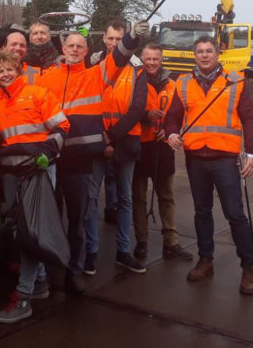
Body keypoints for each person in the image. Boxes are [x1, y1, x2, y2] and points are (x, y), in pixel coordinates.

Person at [36, 23, 148, 293]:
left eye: (80, 46)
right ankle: (50, 271)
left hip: (80, 160)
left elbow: (119, 57)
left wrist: (132, 37)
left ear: (87, 51)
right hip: (50, 159)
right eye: (70, 46)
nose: (75, 49)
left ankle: (73, 272)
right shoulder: (45, 77)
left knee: (78, 221)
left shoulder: (95, 75)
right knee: (49, 220)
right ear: (62, 49)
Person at [166, 35, 253, 295]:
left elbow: (250, 119)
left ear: (217, 54)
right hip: (196, 158)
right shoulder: (182, 82)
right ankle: (205, 260)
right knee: (202, 212)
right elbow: (173, 115)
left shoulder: (236, 81)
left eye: (209, 51)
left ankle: (248, 266)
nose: (204, 55)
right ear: (194, 55)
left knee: (235, 215)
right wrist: (171, 133)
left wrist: (251, 153)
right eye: (200, 51)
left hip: (225, 159)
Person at [0, 51, 70, 324]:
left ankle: (23, 296)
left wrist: (48, 152)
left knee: (30, 232)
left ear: (18, 70)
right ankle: (41, 283)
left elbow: (62, 127)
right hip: (12, 174)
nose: (5, 74)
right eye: (0, 72)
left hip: (39, 170)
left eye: (9, 69)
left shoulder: (38, 93)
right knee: (22, 230)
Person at [89, 29, 149, 276]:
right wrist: (101, 136)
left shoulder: (137, 68)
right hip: (95, 141)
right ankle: (90, 252)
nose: (114, 43)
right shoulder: (93, 64)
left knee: (125, 199)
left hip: (125, 142)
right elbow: (87, 102)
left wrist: (111, 136)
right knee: (91, 199)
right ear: (104, 39)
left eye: (118, 38)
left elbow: (138, 108)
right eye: (110, 38)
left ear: (125, 39)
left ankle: (123, 251)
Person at [131, 43, 192, 261]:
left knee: (166, 195)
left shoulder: (172, 85)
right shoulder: (134, 81)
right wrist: (145, 116)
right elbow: (125, 109)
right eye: (148, 58)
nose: (151, 63)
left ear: (161, 59)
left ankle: (171, 243)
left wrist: (168, 129)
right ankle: (142, 241)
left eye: (156, 59)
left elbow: (179, 114)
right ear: (142, 58)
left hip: (162, 146)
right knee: (138, 197)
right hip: (139, 145)